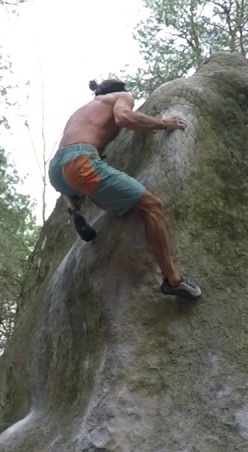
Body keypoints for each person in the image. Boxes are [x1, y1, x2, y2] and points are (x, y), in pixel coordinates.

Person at [48, 77, 203, 300]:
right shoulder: (121, 97)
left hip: (57, 171)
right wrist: (164, 123)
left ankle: (73, 207)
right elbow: (124, 117)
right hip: (80, 162)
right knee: (152, 205)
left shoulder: (83, 111)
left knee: (77, 179)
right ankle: (173, 280)